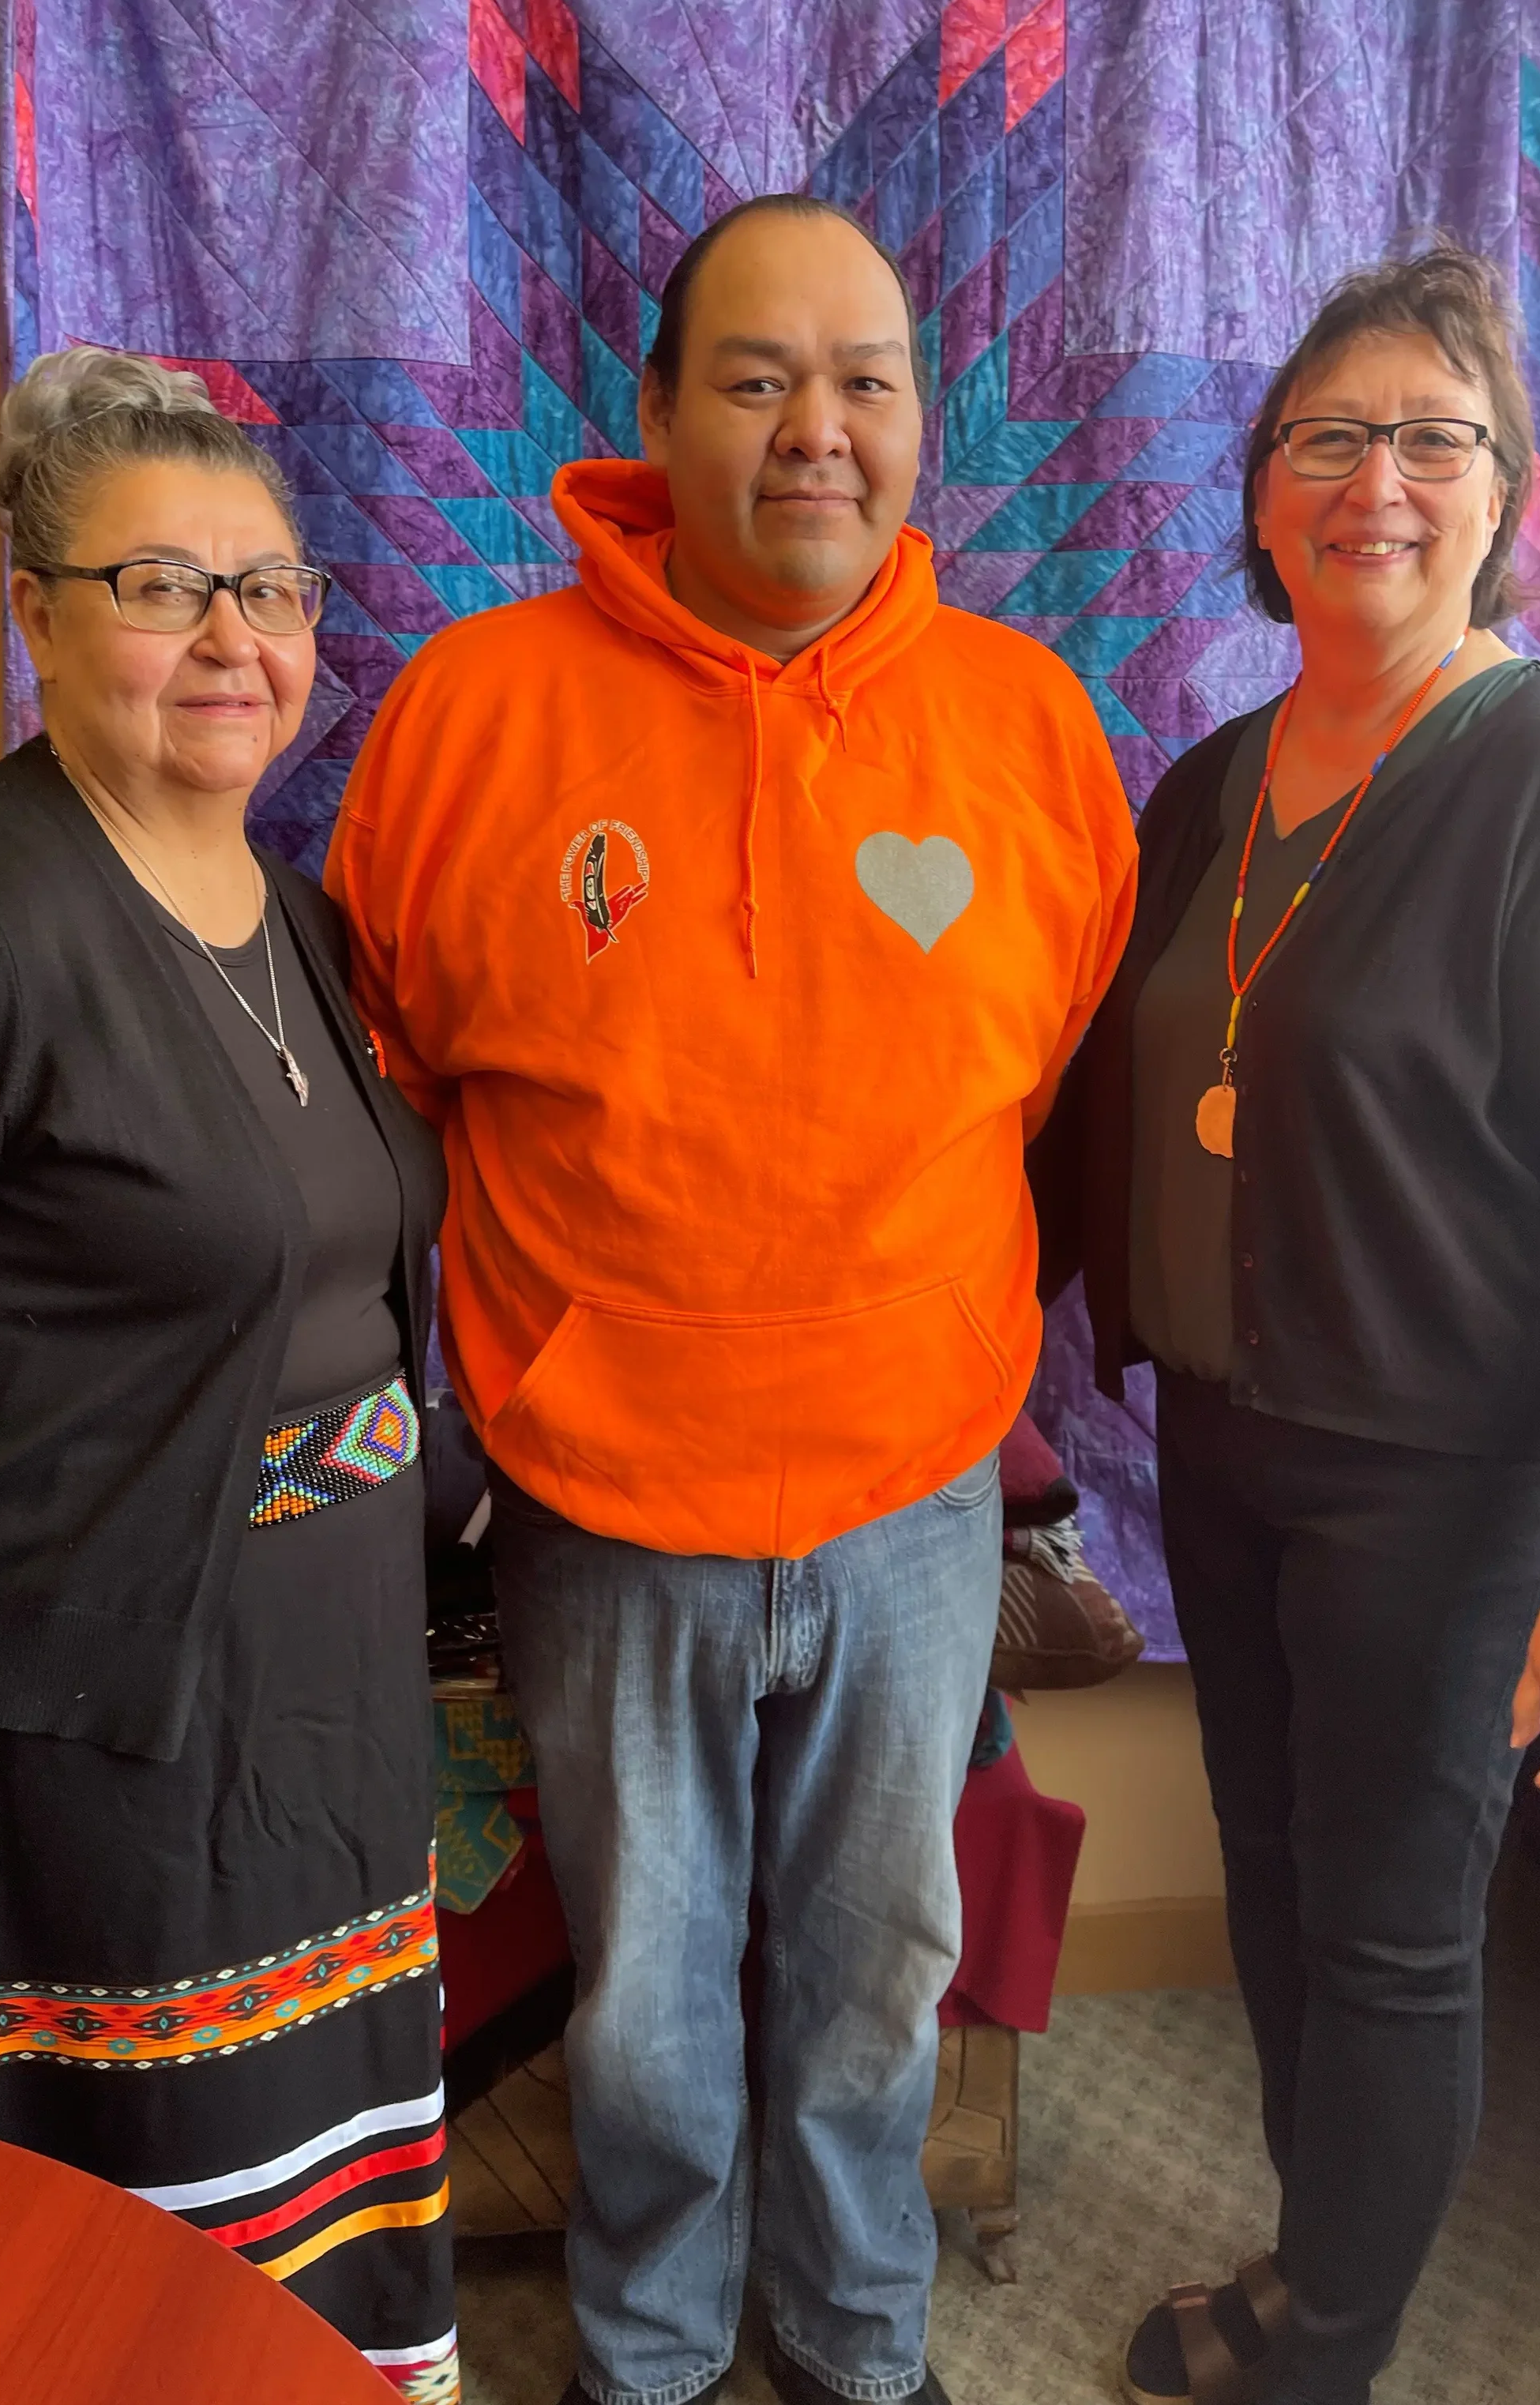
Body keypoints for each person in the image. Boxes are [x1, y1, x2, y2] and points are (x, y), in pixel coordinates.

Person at [328, 194, 1136, 2405]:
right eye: (758, 376)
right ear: (657, 410)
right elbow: (383, 1088)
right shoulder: (471, 716)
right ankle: (654, 2348)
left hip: (910, 1491)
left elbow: (1047, 1080)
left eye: (865, 378)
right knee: (652, 1988)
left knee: (882, 1972)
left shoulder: (1030, 728)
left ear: (920, 422)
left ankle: (859, 2331)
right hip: (601, 1498)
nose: (816, 428)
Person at [1032, 245, 1540, 2405]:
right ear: (1260, 498)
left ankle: (1325, 2349)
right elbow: (1096, 1097)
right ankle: (1309, 2250)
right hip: (1234, 1452)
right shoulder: (1206, 786)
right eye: (1328, 437)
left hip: (1446, 1483)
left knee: (1384, 1925)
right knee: (1276, 1885)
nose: (1377, 478)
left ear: (1505, 492)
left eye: (1432, 436)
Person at [0, 351, 457, 2405]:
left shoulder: (292, 908)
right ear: (37, 610)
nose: (231, 640)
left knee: (303, 2228)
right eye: (162, 583)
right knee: (110, 2271)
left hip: (314, 1714)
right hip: (79, 1734)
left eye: (267, 590)